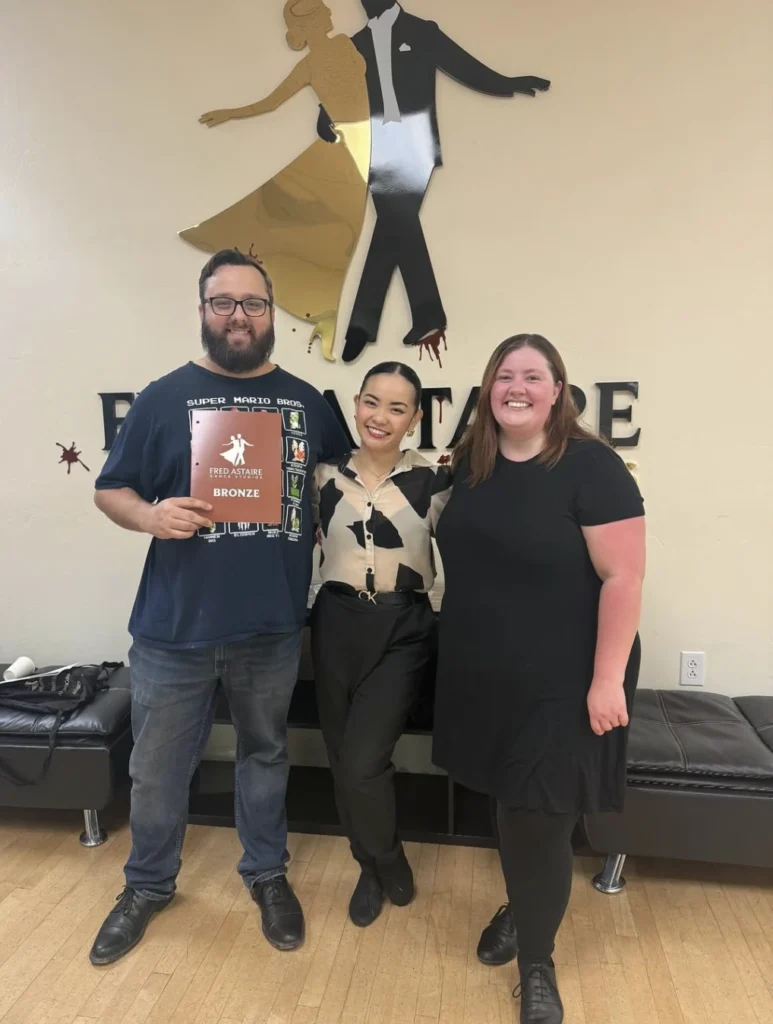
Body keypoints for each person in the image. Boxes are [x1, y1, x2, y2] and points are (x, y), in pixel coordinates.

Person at [89, 249, 350, 966]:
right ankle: (146, 885)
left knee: (263, 756)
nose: (239, 316)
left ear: (273, 315)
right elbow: (110, 488)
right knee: (158, 767)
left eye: (253, 303)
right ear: (203, 311)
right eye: (223, 303)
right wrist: (149, 517)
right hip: (174, 629)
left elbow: (344, 485)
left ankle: (266, 874)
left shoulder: (307, 402)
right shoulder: (162, 397)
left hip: (271, 626)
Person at [432, 335, 645, 1022]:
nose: (515, 386)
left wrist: (606, 679)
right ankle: (523, 905)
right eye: (503, 374)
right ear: (487, 389)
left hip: (568, 677)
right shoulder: (471, 465)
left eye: (532, 375)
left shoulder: (593, 467)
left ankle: (537, 963)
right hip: (486, 671)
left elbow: (624, 576)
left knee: (539, 815)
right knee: (511, 802)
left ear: (557, 390)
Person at [318, 0, 550, 362]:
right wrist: (325, 116)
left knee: (396, 224)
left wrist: (508, 84)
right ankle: (410, 316)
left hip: (416, 143)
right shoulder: (357, 43)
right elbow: (340, 87)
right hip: (376, 147)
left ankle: (372, 323)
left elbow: (463, 66)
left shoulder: (421, 31)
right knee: (396, 226)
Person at [311, 362, 451, 925]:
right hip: (335, 622)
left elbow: (480, 545)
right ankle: (366, 865)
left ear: (415, 418)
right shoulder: (320, 476)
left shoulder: (436, 482)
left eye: (397, 408)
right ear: (355, 404)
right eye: (373, 402)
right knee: (343, 759)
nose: (381, 417)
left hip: (404, 627)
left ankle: (388, 858)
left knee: (365, 763)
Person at [181, 0, 371, 362]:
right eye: (316, 16)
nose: (325, 18)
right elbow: (270, 103)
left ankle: (323, 315)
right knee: (334, 239)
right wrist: (232, 113)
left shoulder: (346, 44)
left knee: (339, 239)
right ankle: (323, 314)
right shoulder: (311, 64)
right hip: (348, 147)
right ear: (308, 26)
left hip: (361, 144)